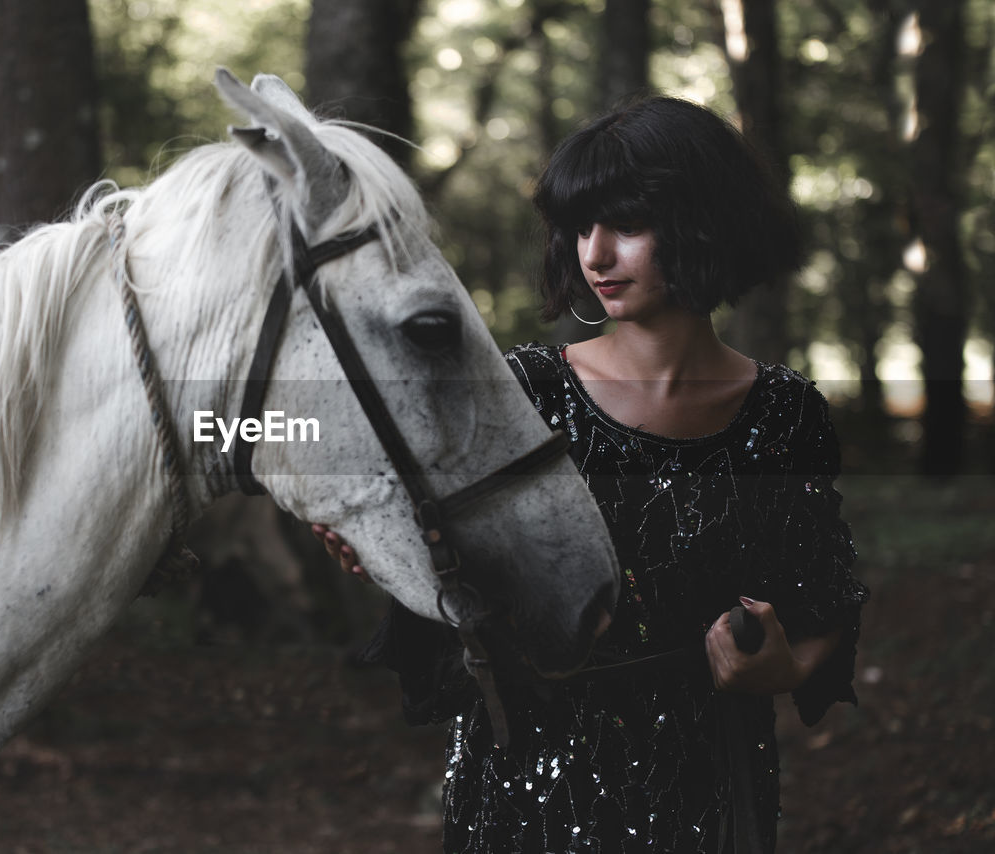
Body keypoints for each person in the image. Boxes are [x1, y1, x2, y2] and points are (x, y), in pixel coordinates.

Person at [312, 95, 869, 853]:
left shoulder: (784, 414)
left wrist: (778, 667)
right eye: (579, 227)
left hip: (703, 790)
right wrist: (384, 557)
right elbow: (454, 581)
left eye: (626, 225)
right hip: (521, 789)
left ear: (703, 220)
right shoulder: (520, 396)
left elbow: (826, 600)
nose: (594, 255)